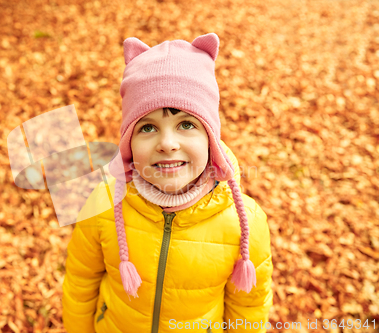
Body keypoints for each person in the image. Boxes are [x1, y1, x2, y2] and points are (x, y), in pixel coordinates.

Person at [61, 33, 273, 333]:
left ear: (211, 140)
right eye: (148, 127)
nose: (167, 143)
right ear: (128, 143)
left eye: (186, 124)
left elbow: (248, 309)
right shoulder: (104, 204)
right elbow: (80, 284)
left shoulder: (244, 223)